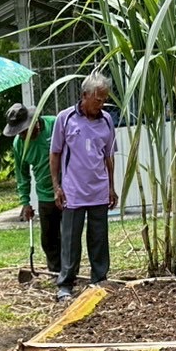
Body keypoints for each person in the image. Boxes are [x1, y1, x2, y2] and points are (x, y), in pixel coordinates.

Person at [50, 73, 118, 302]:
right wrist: (56, 185)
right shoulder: (65, 118)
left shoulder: (107, 119)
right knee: (70, 240)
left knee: (99, 238)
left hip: (98, 189)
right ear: (84, 96)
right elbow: (56, 153)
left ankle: (99, 279)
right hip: (73, 191)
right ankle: (66, 284)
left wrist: (111, 186)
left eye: (104, 100)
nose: (101, 104)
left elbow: (109, 156)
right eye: (97, 99)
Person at [5, 103, 61, 276]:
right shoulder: (19, 144)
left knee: (68, 236)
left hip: (66, 190)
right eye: (19, 132)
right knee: (48, 238)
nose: (22, 135)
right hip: (44, 194)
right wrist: (25, 202)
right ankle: (55, 272)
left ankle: (69, 271)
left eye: (24, 131)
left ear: (34, 121)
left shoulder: (54, 125)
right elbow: (22, 175)